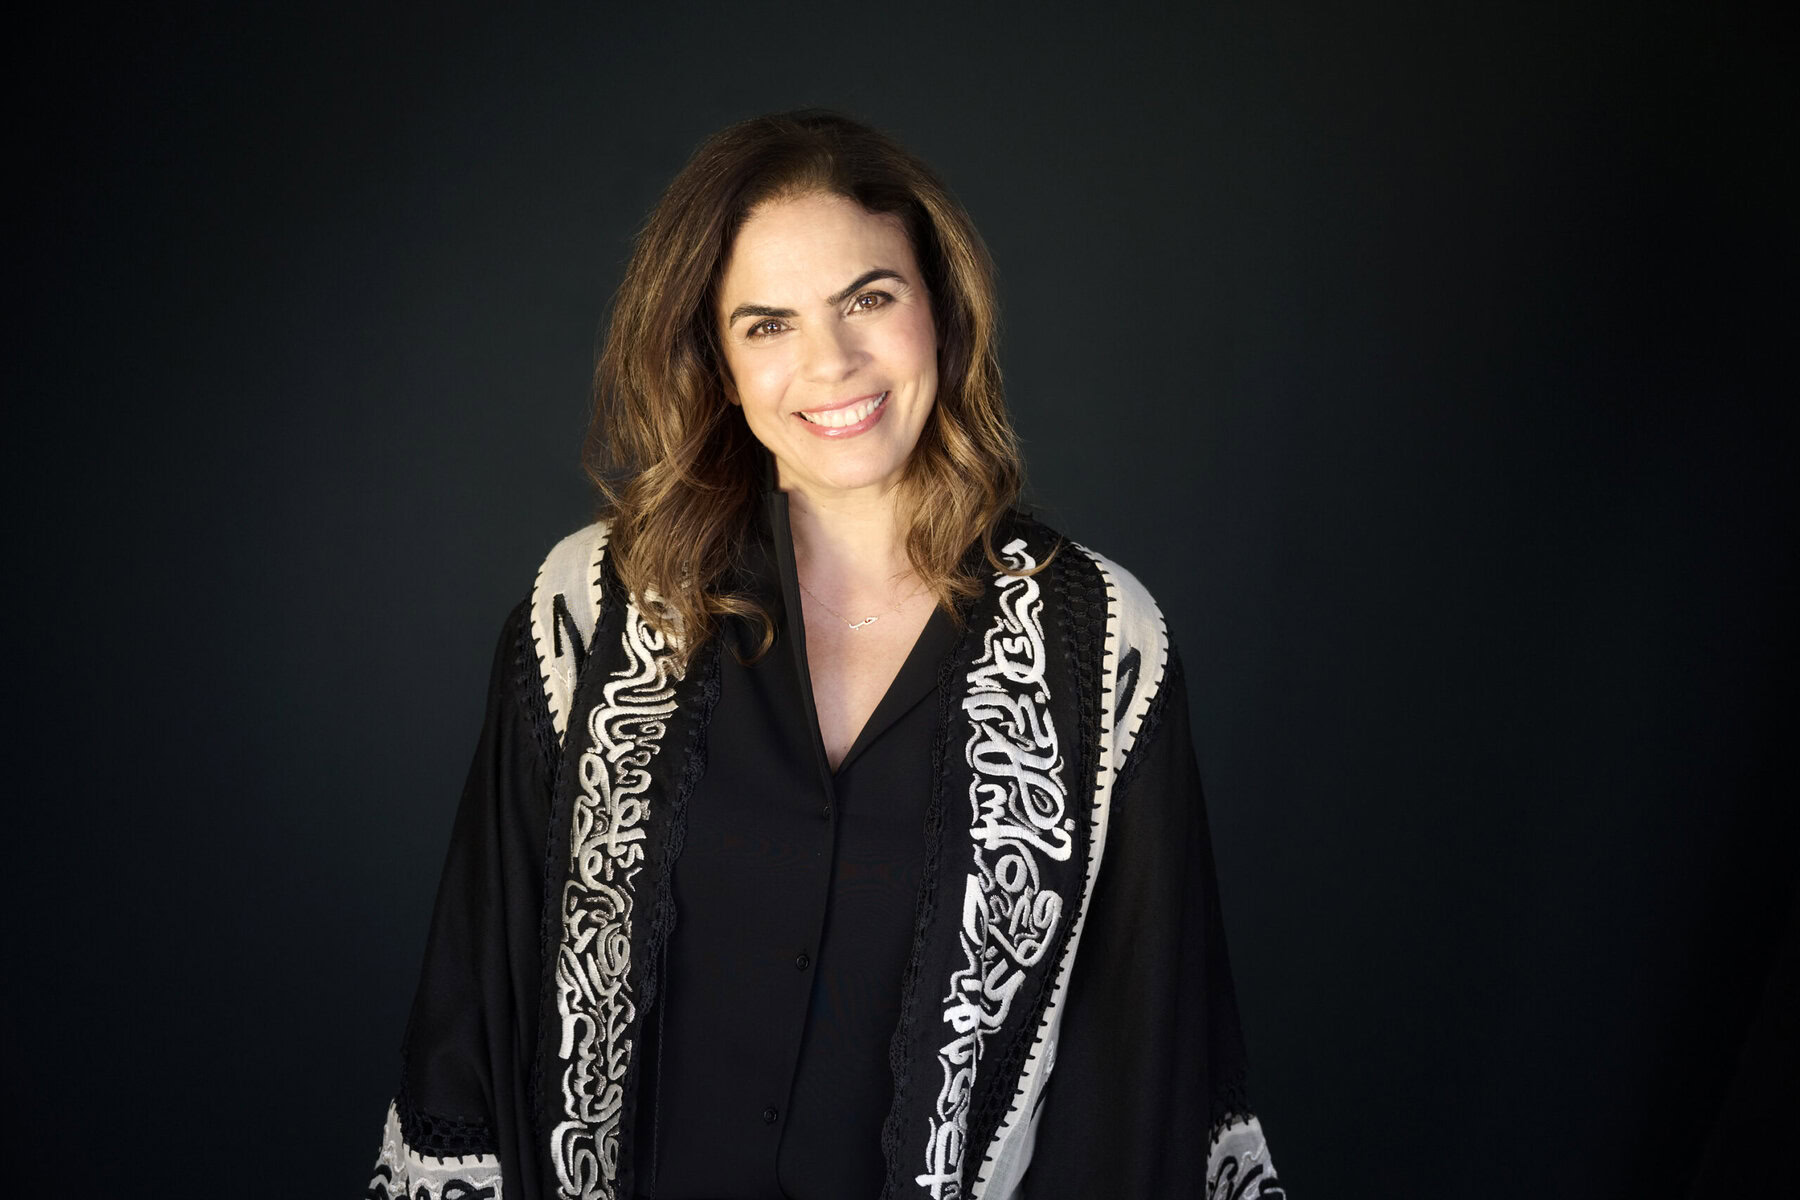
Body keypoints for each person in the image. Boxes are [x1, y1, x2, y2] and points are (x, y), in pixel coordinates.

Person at [367, 109, 1284, 1200]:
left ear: (939, 305)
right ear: (715, 356)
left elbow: (1140, 1066)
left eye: (869, 299)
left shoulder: (1101, 648)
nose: (831, 364)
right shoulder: (594, 614)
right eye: (767, 324)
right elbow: (473, 1010)